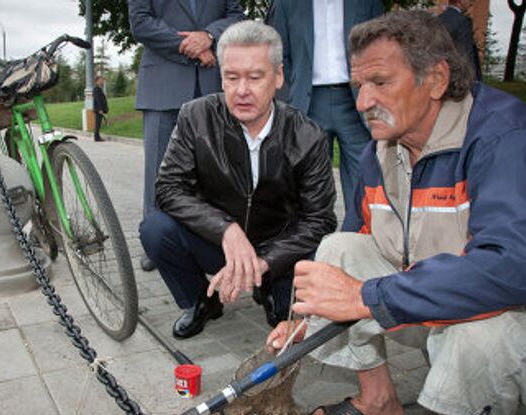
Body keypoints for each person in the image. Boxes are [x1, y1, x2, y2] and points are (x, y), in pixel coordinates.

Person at [266, 10, 526, 415]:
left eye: (379, 82)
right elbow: (355, 243)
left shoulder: (508, 137)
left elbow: (515, 269)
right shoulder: (378, 150)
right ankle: (380, 404)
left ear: (436, 78)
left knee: (481, 327)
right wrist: (308, 317)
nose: (362, 102)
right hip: (428, 290)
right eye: (359, 85)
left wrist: (367, 297)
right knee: (335, 249)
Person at [140, 20, 337, 340]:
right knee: (155, 229)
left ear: (278, 77)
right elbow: (167, 188)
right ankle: (203, 301)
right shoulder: (195, 116)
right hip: (218, 244)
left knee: (320, 262)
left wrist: (265, 261)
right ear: (221, 77)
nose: (242, 90)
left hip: (280, 250)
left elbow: (320, 219)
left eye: (255, 77)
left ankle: (272, 288)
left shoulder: (306, 134)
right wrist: (226, 230)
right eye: (232, 78)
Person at [128, 0, 245, 272]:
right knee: (160, 171)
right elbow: (141, 23)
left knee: (215, 171)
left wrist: (209, 37)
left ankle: (214, 241)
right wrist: (192, 48)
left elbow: (236, 15)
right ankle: (156, 245)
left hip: (213, 82)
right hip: (162, 85)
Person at [271, 0, 384, 212]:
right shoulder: (288, 4)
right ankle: (312, 239)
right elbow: (281, 53)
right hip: (310, 101)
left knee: (364, 175)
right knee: (310, 180)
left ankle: (358, 237)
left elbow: (380, 48)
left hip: (356, 100)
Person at [439, 0, 483, 81]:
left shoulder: (436, 21)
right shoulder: (463, 22)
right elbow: (465, 53)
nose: (471, 4)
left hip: (440, 75)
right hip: (459, 79)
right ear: (461, 1)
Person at [92, 75, 108, 142]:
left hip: (99, 109)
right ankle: (97, 138)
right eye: (101, 80)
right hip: (98, 110)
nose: (102, 81)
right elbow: (97, 100)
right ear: (97, 81)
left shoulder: (99, 88)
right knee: (97, 124)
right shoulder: (96, 89)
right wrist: (100, 109)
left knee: (98, 124)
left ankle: (97, 137)